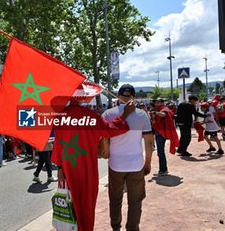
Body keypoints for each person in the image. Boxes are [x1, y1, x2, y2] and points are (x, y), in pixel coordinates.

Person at [52, 82, 134, 231]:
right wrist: (125, 114)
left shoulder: (60, 116)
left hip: (67, 168)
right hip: (86, 168)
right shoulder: (90, 116)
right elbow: (109, 130)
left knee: (69, 203)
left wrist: (59, 167)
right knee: (86, 204)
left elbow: (58, 144)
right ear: (84, 97)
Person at [102, 84, 154, 231]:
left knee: (115, 199)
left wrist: (106, 153)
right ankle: (132, 228)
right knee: (135, 201)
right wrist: (148, 162)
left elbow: (103, 137)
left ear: (118, 96)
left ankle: (115, 227)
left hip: (115, 164)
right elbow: (148, 141)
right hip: (136, 164)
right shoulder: (142, 115)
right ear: (133, 97)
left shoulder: (107, 114)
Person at [151, 98, 179, 175]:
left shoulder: (164, 109)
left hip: (162, 133)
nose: (156, 103)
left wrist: (155, 113)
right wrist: (153, 117)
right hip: (158, 132)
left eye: (158, 102)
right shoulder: (156, 110)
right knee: (160, 152)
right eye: (155, 102)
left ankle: (163, 170)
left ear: (162, 103)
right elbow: (154, 122)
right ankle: (163, 169)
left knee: (160, 152)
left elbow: (163, 114)